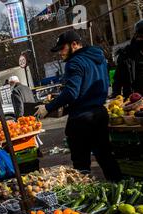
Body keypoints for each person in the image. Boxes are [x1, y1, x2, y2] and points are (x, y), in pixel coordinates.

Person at [35, 30, 122, 181]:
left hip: (82, 120)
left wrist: (48, 108)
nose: (60, 53)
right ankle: (117, 188)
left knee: (81, 165)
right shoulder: (99, 58)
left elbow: (71, 93)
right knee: (105, 156)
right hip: (100, 113)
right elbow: (93, 88)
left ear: (74, 44)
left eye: (62, 48)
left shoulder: (74, 62)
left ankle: (87, 196)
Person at [113, 18, 143, 98]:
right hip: (139, 99)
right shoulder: (127, 54)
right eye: (140, 36)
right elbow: (118, 80)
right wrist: (116, 97)